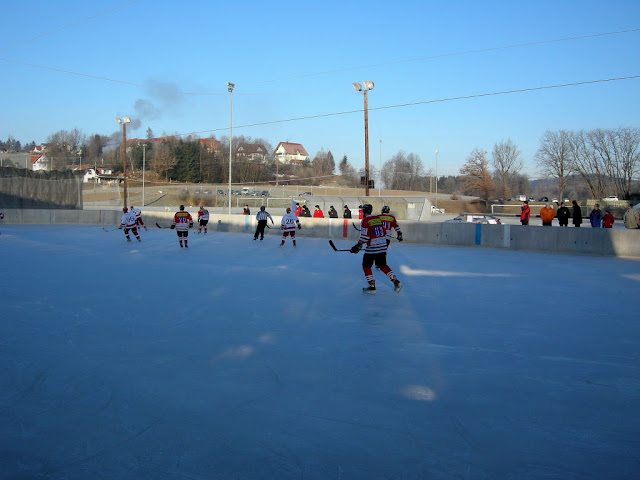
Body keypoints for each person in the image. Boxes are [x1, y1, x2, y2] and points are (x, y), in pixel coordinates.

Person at [350, 204, 402, 294]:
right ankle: (396, 282)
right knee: (383, 265)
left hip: (372, 248)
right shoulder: (377, 218)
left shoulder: (365, 220)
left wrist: (358, 245)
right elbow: (383, 231)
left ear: (364, 211)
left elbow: (365, 237)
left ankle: (372, 286)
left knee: (366, 266)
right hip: (382, 245)